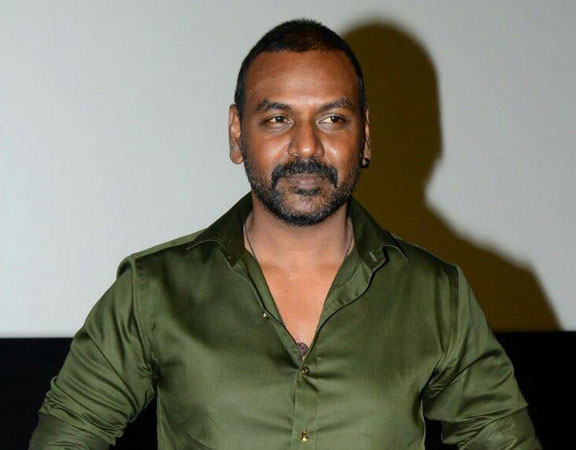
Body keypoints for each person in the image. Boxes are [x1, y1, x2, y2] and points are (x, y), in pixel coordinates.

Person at [29, 18, 541, 450]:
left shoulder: (436, 295)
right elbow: (68, 436)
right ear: (237, 134)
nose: (306, 146)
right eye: (277, 119)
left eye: (332, 118)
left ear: (365, 136)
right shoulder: (152, 291)